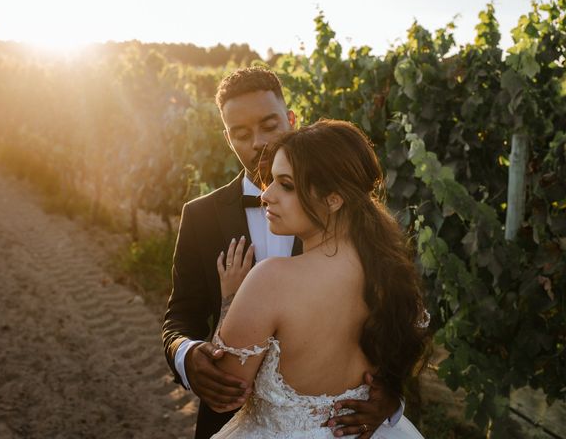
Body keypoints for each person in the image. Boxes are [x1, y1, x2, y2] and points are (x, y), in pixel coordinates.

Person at [162, 67, 403, 438]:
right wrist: (187, 354)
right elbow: (180, 315)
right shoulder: (201, 217)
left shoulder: (350, 224)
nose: (258, 143)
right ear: (228, 139)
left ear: (291, 119)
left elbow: (388, 321)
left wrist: (389, 393)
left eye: (270, 125)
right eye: (241, 134)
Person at [210, 119, 429, 438]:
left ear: (333, 199)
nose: (266, 195)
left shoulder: (271, 280)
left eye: (286, 184)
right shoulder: (388, 273)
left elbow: (222, 394)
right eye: (271, 181)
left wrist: (230, 298)